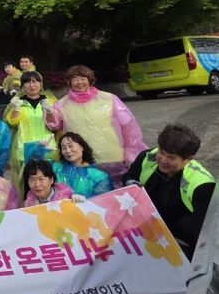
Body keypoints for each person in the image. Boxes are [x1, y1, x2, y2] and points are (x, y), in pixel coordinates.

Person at [123, 123, 216, 258]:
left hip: (180, 233)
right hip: (145, 221)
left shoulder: (203, 185)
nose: (163, 160)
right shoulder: (146, 157)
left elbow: (207, 230)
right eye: (161, 152)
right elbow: (128, 176)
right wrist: (130, 183)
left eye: (171, 157)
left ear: (188, 159)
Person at [45, 64, 147, 186]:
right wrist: (50, 113)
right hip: (81, 161)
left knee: (117, 192)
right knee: (87, 193)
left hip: (112, 157)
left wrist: (131, 151)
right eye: (75, 79)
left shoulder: (109, 99)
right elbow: (53, 125)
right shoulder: (62, 104)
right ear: (70, 82)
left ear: (90, 80)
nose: (79, 82)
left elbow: (128, 126)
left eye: (82, 78)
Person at [4, 71, 58, 197]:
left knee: (49, 186)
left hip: (47, 149)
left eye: (35, 81)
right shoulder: (18, 102)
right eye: (27, 82)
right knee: (29, 187)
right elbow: (12, 125)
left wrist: (50, 111)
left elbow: (56, 125)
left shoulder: (50, 101)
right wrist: (16, 109)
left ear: (40, 83)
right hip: (25, 150)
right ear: (22, 85)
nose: (31, 85)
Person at [53, 132, 112, 198]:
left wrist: (83, 200)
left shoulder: (99, 176)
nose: (68, 151)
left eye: (71, 146)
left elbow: (103, 200)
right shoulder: (56, 169)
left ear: (82, 147)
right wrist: (43, 148)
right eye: (63, 148)